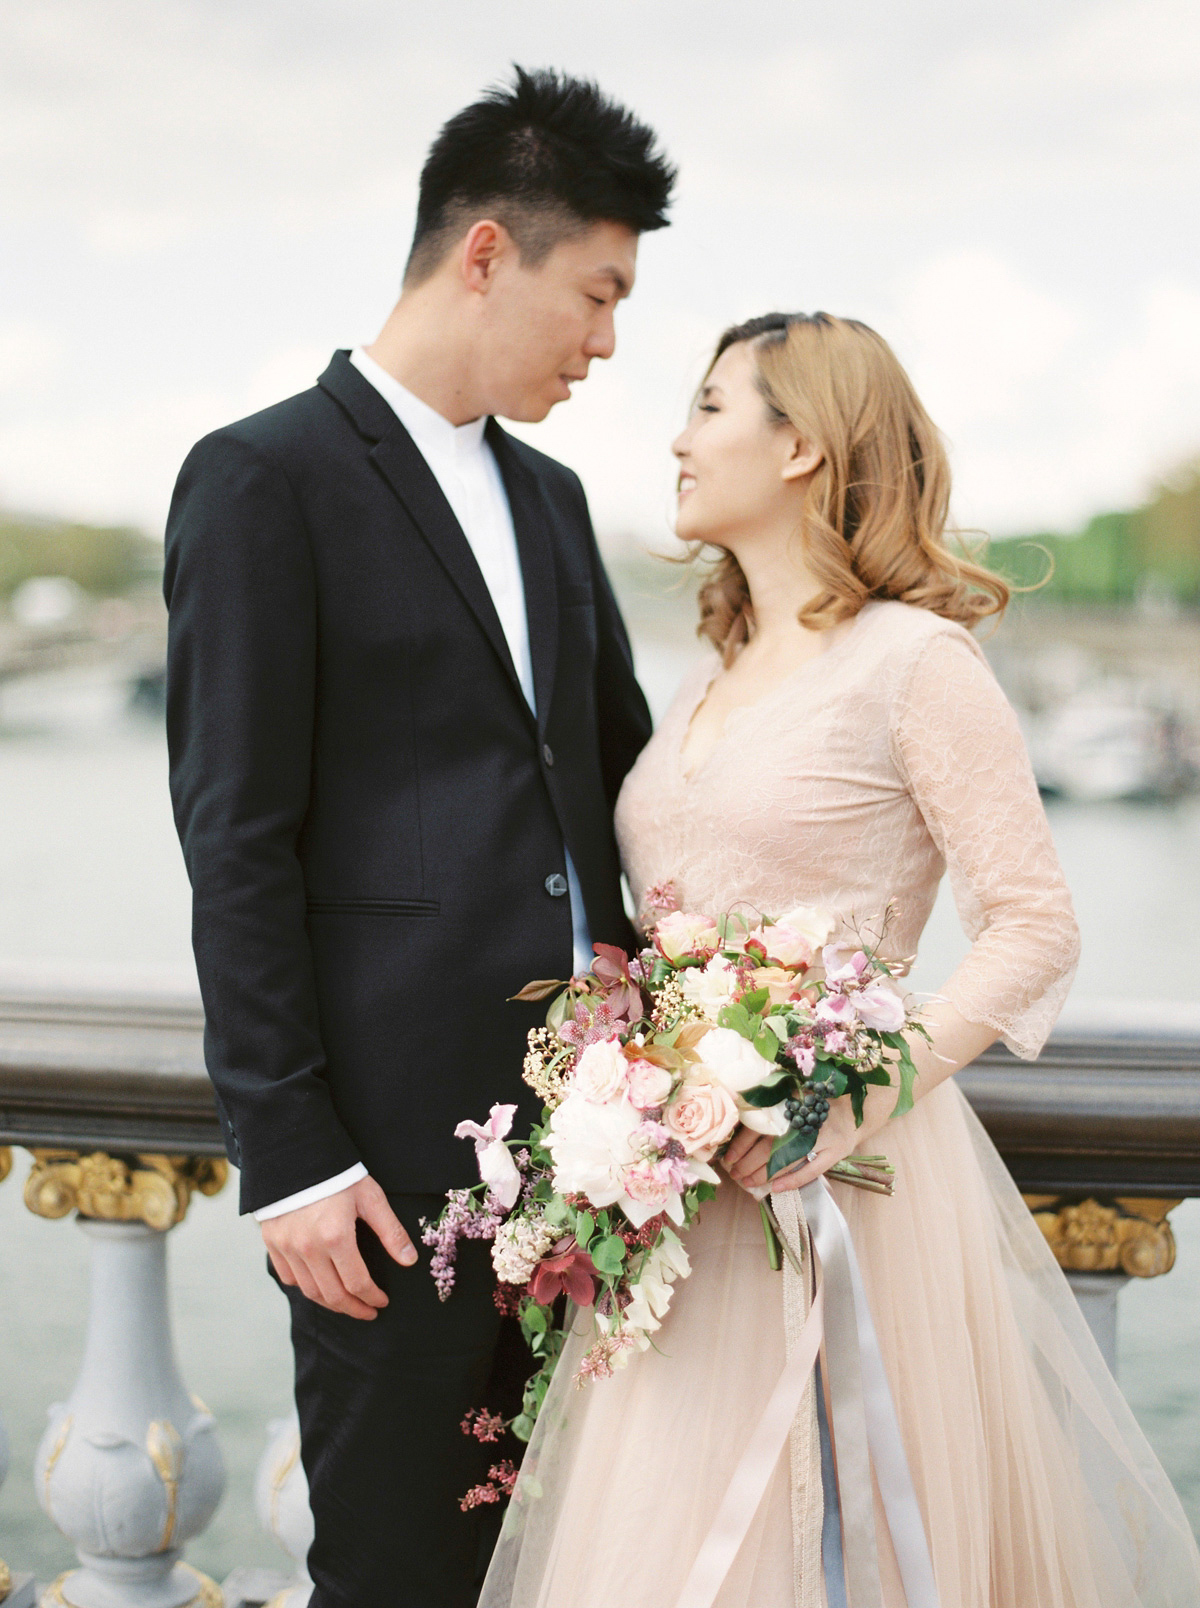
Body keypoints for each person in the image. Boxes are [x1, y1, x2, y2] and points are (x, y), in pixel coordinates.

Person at [480, 313, 1200, 1607]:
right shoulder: (716, 670)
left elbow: (1036, 924)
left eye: (710, 407)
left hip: (849, 1195)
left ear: (802, 442)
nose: (678, 438)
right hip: (688, 1207)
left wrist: (844, 1090)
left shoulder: (917, 661)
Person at [163, 67, 673, 1608]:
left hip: (603, 1155)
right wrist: (291, 1155)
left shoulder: (556, 498)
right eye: (596, 292)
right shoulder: (264, 477)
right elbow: (235, 837)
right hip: (385, 1169)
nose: (606, 340)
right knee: (396, 1568)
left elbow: (620, 778)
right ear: (482, 254)